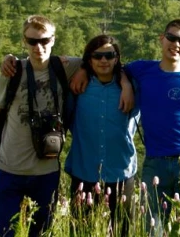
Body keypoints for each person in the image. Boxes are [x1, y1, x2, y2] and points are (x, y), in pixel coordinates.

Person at [72, 19, 180, 237]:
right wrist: (124, 83)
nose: (176, 44)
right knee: (151, 229)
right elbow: (114, 66)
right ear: (162, 39)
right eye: (172, 38)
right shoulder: (142, 70)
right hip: (155, 164)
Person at [0, 15, 75, 237]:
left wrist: (124, 83)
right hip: (10, 168)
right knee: (0, 232)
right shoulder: (12, 71)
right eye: (32, 41)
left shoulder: (66, 67)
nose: (39, 47)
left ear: (53, 40)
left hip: (46, 172)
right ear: (24, 42)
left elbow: (104, 63)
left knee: (42, 233)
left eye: (44, 41)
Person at [64, 34, 138, 236]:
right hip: (84, 171)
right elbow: (45, 59)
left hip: (121, 172)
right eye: (97, 56)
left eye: (109, 55)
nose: (103, 60)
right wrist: (12, 60)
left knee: (123, 231)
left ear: (117, 58)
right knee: (80, 232)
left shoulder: (133, 87)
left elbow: (163, 71)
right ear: (89, 59)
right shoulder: (77, 87)